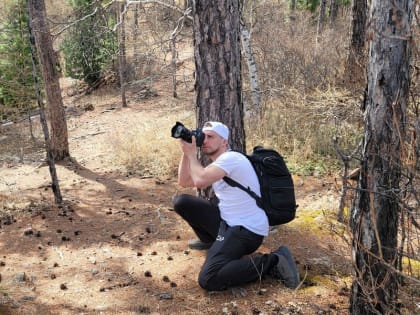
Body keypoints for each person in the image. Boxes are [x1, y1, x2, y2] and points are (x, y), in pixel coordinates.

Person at [172, 121, 299, 291]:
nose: (205, 140)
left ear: (224, 141)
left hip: (247, 230)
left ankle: (274, 260)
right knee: (182, 202)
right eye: (204, 136)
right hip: (228, 222)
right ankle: (211, 241)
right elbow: (184, 181)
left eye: (211, 137)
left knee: (208, 279)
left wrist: (192, 154)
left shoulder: (231, 158)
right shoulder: (220, 163)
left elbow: (200, 181)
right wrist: (186, 153)